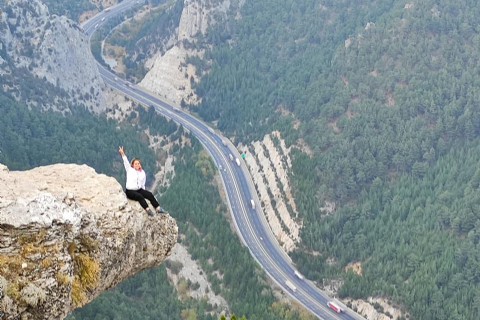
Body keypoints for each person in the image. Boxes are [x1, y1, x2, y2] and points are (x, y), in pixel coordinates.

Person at [118, 146, 166, 216]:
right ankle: (147, 209)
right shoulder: (129, 170)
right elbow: (125, 161)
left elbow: (143, 183)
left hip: (139, 189)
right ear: (133, 165)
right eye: (135, 164)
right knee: (139, 197)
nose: (137, 165)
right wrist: (122, 154)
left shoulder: (142, 172)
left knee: (149, 194)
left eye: (138, 163)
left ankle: (158, 208)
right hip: (130, 191)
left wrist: (144, 192)